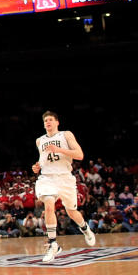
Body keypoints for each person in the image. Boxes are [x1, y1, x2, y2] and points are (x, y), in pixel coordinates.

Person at [31, 111, 96, 263]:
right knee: (48, 204)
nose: (48, 122)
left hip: (65, 178)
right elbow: (43, 160)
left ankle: (85, 229)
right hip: (47, 177)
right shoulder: (39, 141)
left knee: (72, 212)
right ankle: (53, 243)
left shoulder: (66, 135)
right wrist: (37, 166)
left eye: (51, 120)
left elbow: (79, 155)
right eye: (45, 120)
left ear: (57, 122)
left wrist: (59, 150)